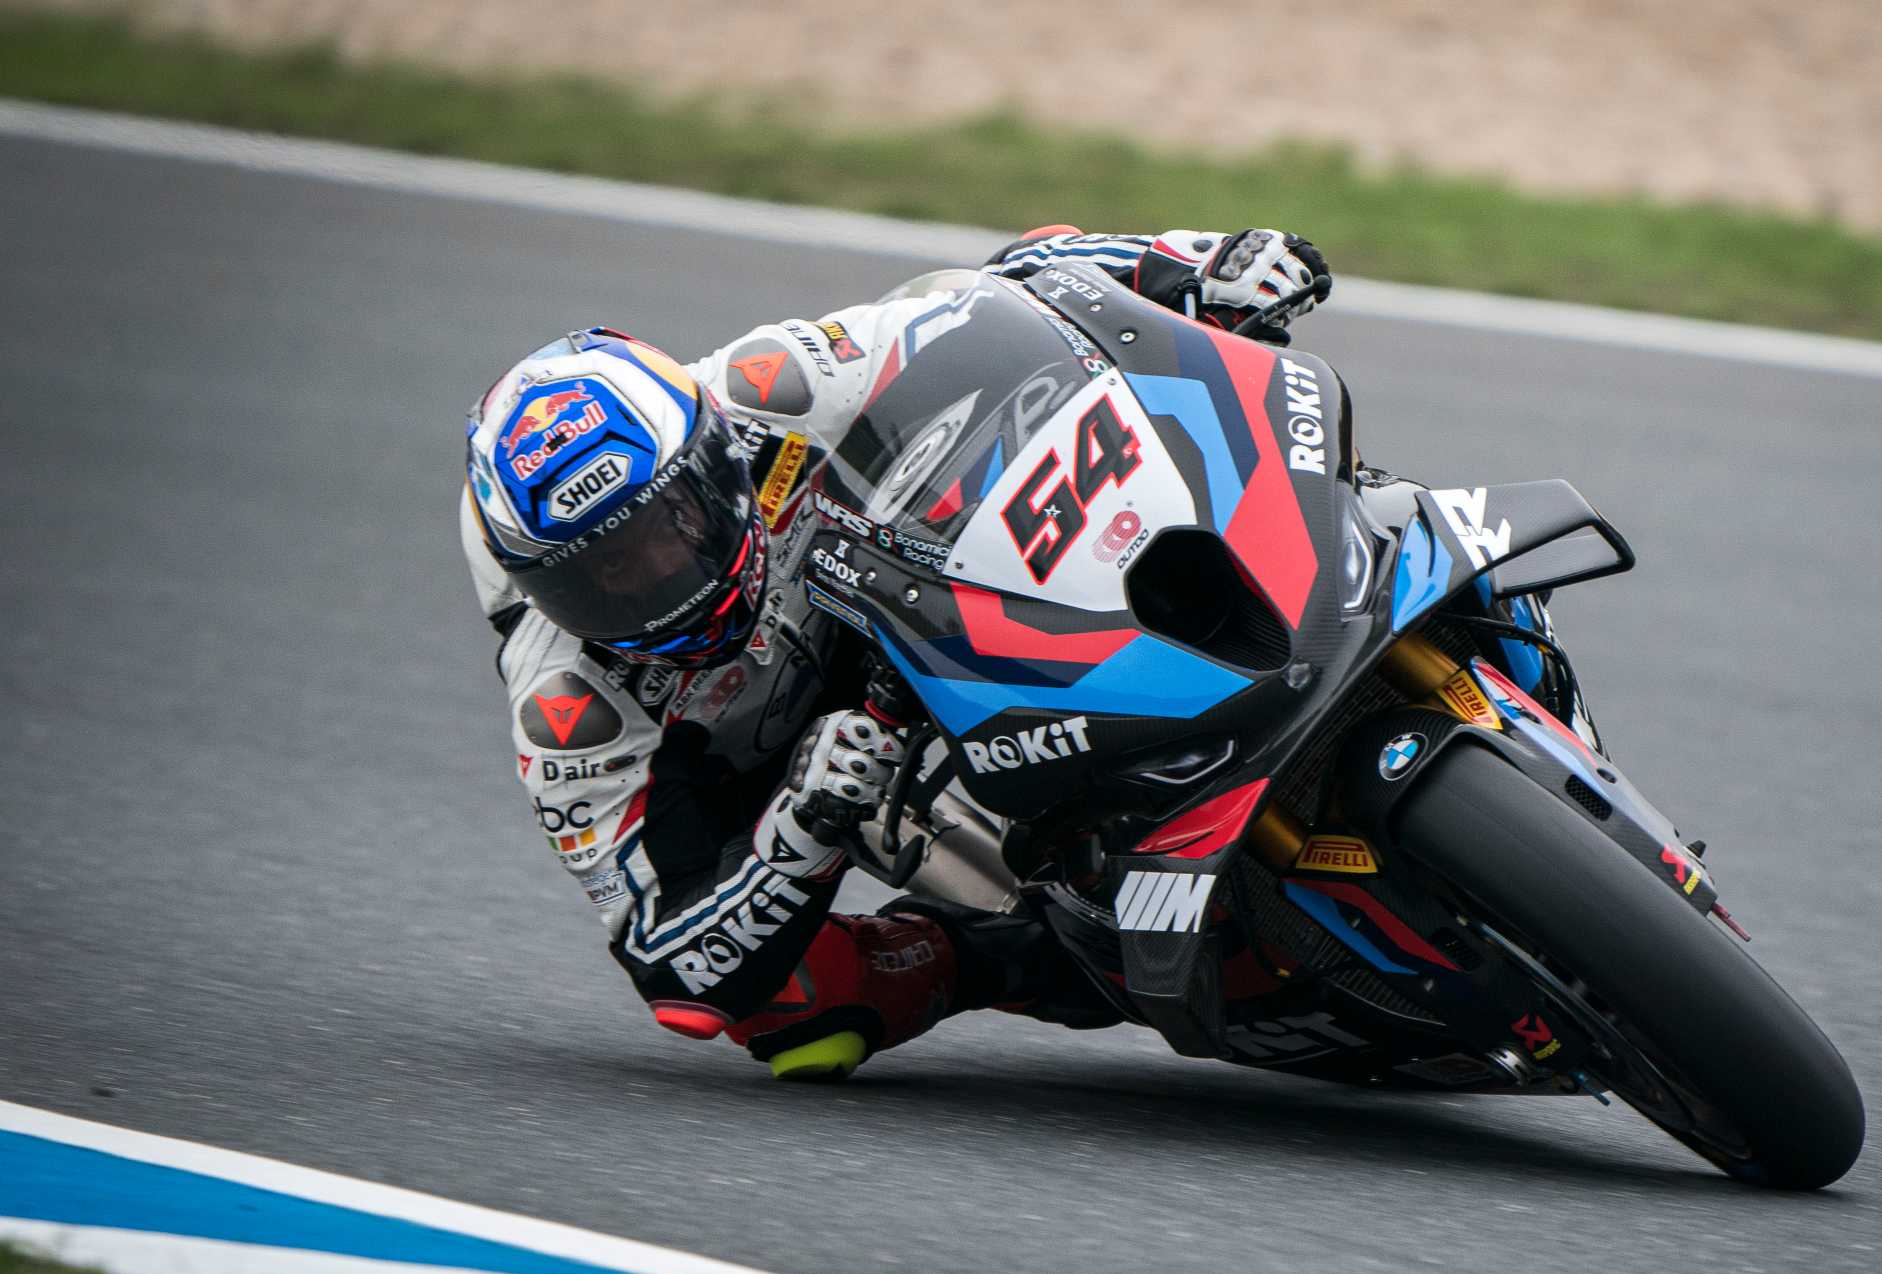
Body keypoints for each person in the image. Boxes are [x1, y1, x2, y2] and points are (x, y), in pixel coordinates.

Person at [460, 228, 1335, 1079]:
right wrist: (800, 826)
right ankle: (997, 951)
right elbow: (668, 959)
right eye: (607, 572)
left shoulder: (766, 386)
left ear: (711, 458)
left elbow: (998, 291)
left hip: (929, 593)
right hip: (831, 764)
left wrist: (1193, 266)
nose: (661, 574)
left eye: (670, 524)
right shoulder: (569, 709)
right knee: (793, 1004)